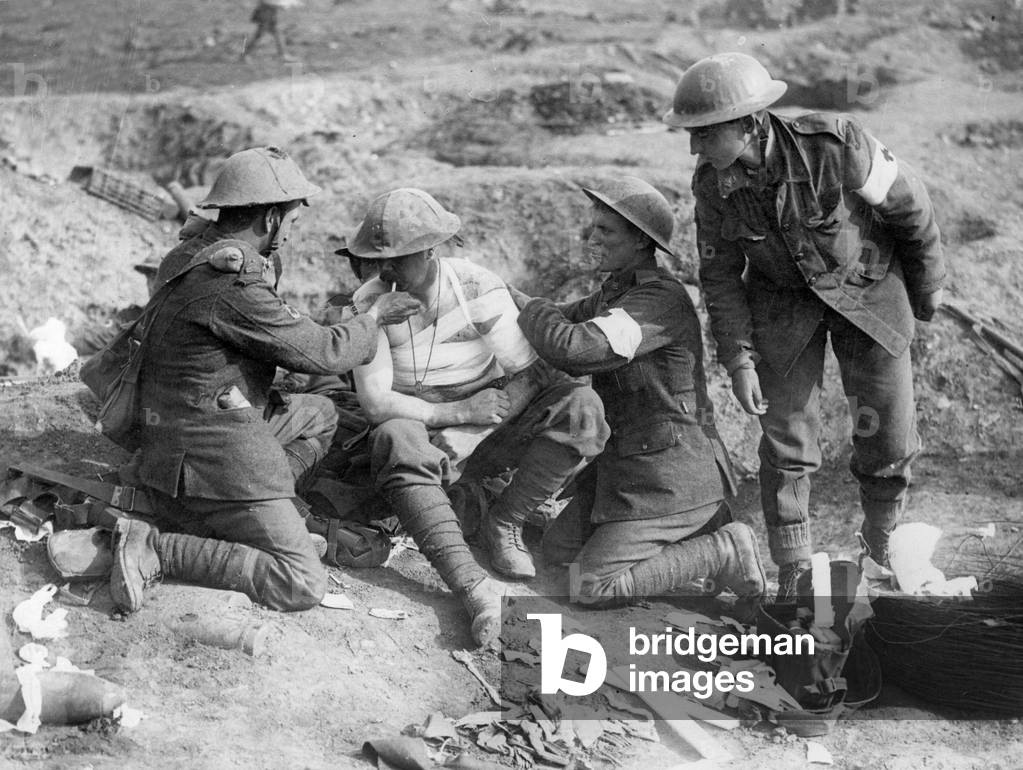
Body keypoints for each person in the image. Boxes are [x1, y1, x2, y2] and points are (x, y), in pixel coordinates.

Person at [663, 53, 945, 599]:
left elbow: (913, 211)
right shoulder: (711, 185)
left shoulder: (837, 146)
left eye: (703, 133)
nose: (694, 148)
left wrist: (925, 292)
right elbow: (719, 276)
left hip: (869, 295)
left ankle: (881, 540)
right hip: (784, 309)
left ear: (749, 124)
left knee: (886, 430)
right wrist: (739, 359)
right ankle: (793, 566)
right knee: (787, 438)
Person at [108, 146, 420, 614]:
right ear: (271, 218)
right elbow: (321, 353)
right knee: (300, 583)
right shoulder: (230, 283)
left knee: (320, 413)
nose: (291, 234)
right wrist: (374, 317)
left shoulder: (192, 255)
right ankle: (160, 549)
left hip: (181, 428)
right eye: (291, 222)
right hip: (207, 452)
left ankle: (255, 514)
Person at [348, 187, 609, 646]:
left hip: (489, 423)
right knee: (392, 435)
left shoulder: (475, 288)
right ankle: (472, 584)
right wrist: (450, 413)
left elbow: (530, 373)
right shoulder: (369, 303)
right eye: (377, 261)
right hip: (423, 429)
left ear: (430, 252)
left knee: (580, 408)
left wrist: (472, 428)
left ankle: (505, 522)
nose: (385, 273)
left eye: (398, 260)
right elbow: (375, 401)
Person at [512, 176, 765, 609]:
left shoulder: (657, 300)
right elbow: (560, 319)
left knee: (588, 586)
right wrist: (505, 298)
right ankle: (689, 556)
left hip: (672, 478)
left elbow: (575, 347)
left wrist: (529, 308)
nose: (592, 238)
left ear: (640, 241)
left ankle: (723, 550)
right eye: (593, 227)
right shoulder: (616, 292)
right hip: (632, 471)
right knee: (556, 555)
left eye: (606, 230)